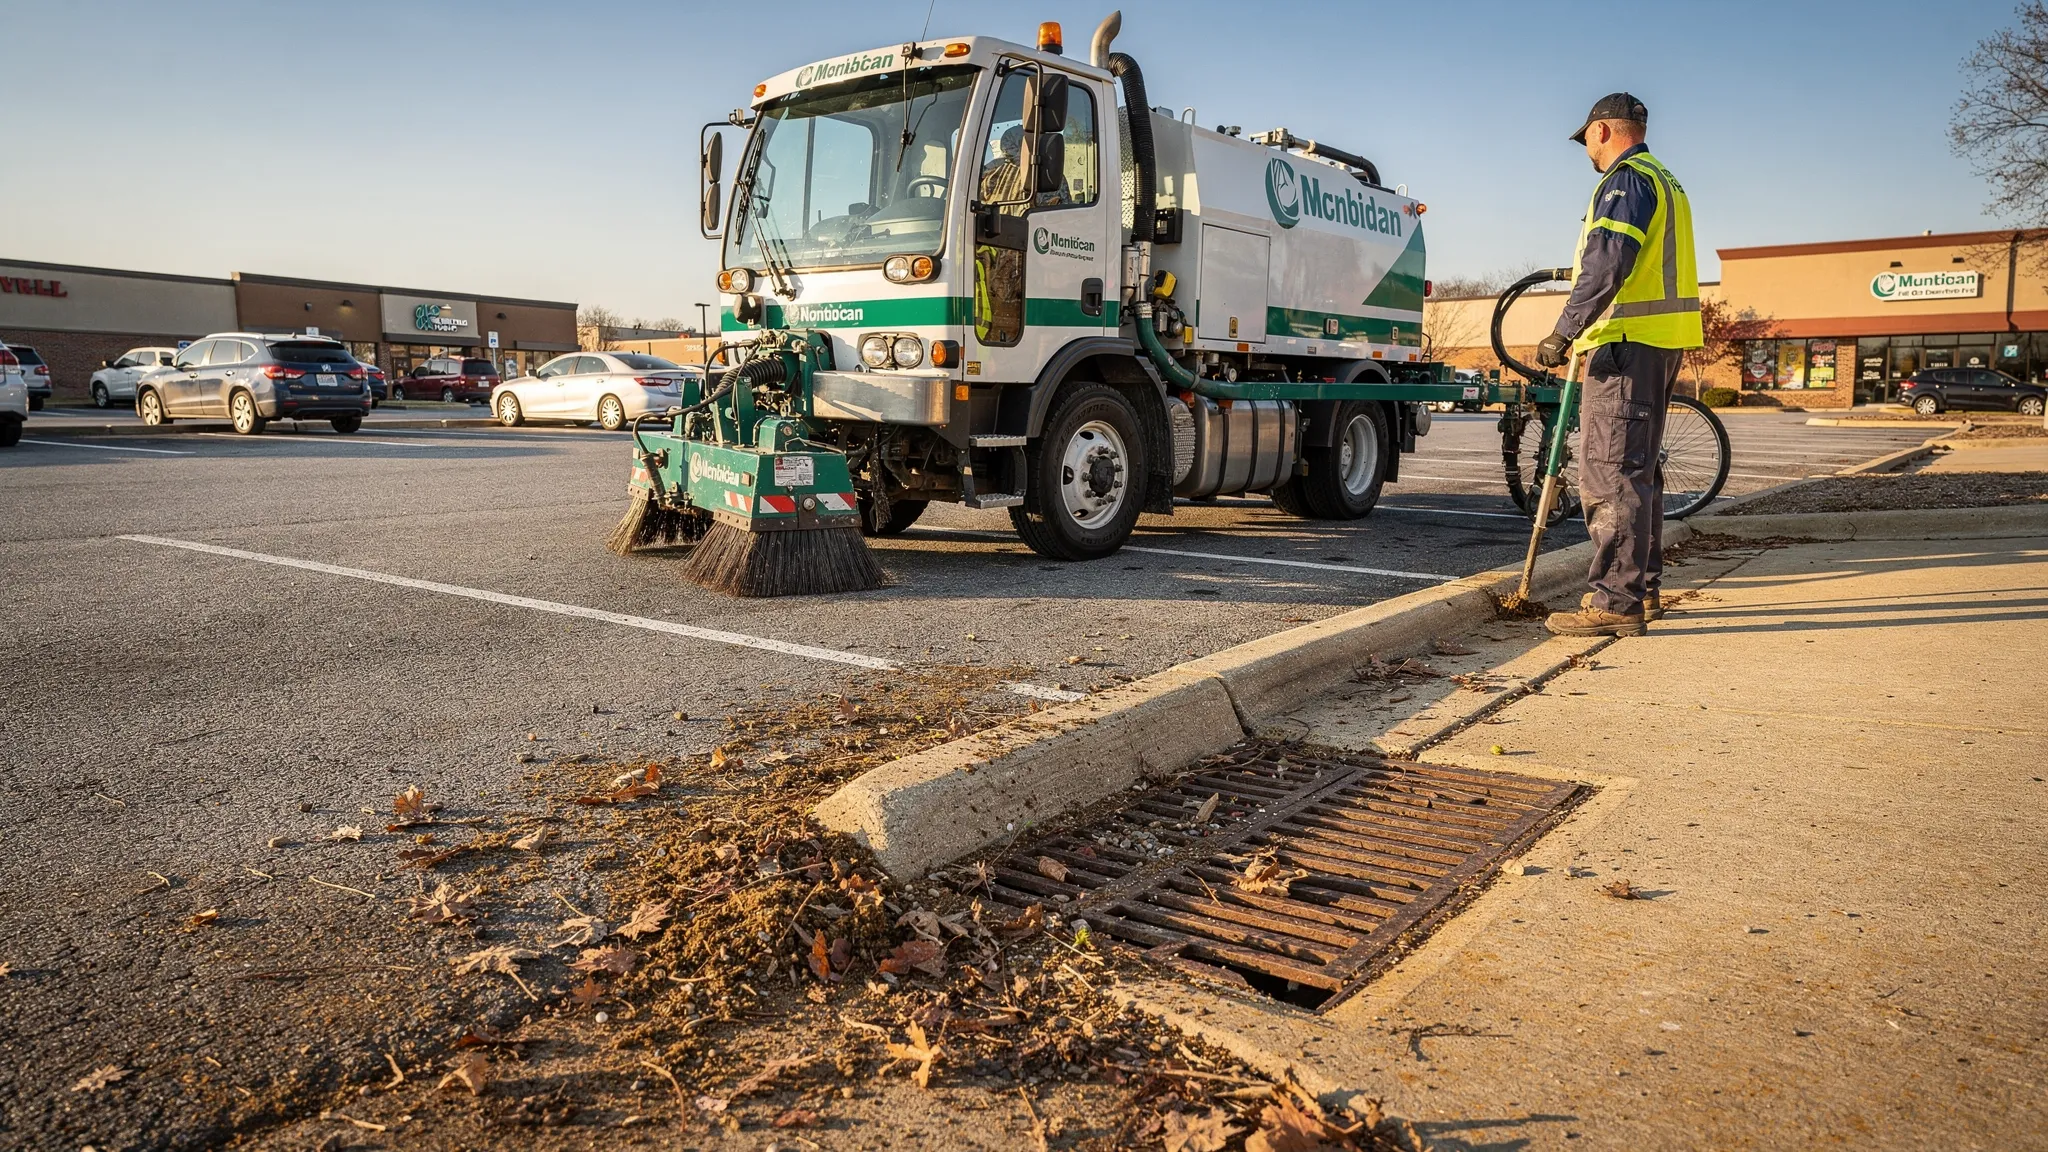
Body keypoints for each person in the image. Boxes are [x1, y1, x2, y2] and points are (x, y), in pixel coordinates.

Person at [1534, 93, 1703, 637]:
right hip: (1658, 343)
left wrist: (1564, 331)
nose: (1584, 147)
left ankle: (1615, 601)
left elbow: (1609, 260)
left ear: (1604, 131)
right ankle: (1642, 590)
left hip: (1626, 345)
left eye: (1586, 136)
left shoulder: (1625, 180)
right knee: (1639, 471)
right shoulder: (1664, 179)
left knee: (1611, 474)